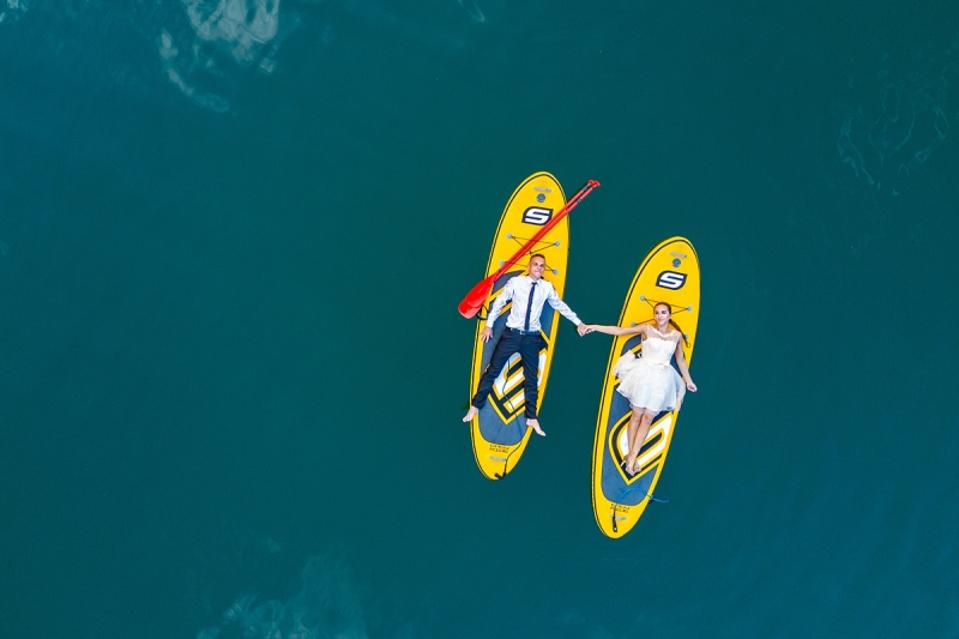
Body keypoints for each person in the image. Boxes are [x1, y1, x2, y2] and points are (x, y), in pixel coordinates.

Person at [462, 254, 588, 436]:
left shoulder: (546, 288)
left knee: (531, 378)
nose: (538, 268)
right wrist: (489, 325)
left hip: (531, 339)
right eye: (535, 264)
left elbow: (560, 306)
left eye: (542, 266)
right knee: (493, 371)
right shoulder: (516, 282)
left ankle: (531, 417)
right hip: (511, 335)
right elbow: (499, 302)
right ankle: (475, 407)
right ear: (529, 266)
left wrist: (579, 322)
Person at [583, 302, 697, 475]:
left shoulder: (676, 336)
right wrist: (594, 327)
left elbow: (680, 360)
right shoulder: (647, 329)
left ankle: (631, 457)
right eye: (657, 312)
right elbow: (620, 331)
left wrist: (688, 381)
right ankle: (631, 460)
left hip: (663, 379)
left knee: (648, 418)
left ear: (669, 315)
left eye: (663, 312)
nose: (659, 316)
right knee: (636, 416)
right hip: (643, 375)